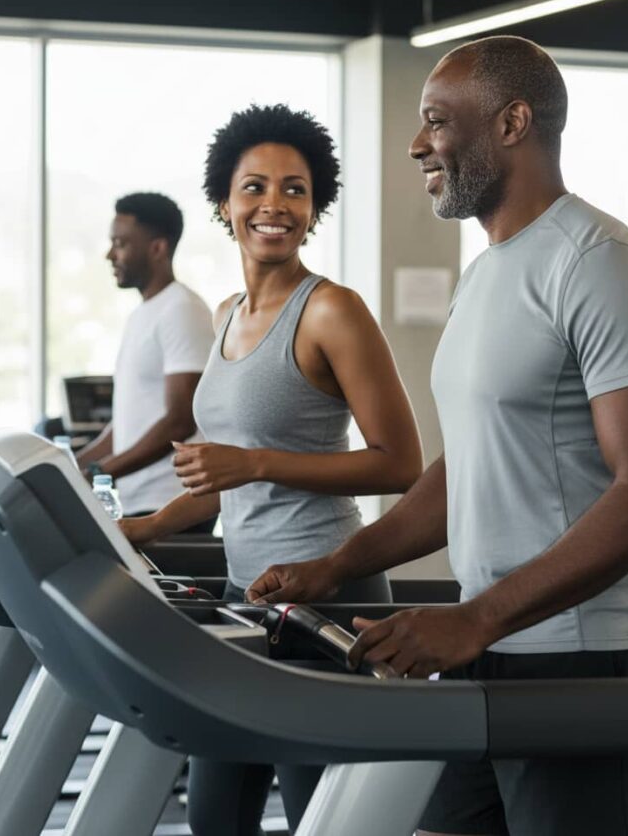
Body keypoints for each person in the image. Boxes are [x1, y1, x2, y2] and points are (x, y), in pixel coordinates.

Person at [247, 37, 628, 836]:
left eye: (437, 122)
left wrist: (478, 617)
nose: (418, 143)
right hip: (489, 644)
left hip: (585, 657)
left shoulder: (599, 262)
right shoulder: (490, 269)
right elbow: (474, 465)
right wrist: (339, 566)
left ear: (513, 122)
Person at [118, 103, 423, 836]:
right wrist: (148, 525)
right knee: (215, 818)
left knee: (318, 818)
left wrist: (253, 460)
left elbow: (402, 461)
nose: (274, 205)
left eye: (295, 190)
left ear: (315, 209)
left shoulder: (332, 312)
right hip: (244, 597)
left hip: (330, 592)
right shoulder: (225, 314)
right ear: (225, 204)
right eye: (255, 187)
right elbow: (220, 479)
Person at [77, 192, 217, 524]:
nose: (110, 254)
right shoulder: (144, 314)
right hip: (136, 501)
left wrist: (101, 472)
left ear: (157, 248)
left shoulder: (182, 310)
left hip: (171, 506)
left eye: (121, 244)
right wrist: (71, 464)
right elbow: (128, 423)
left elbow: (181, 420)